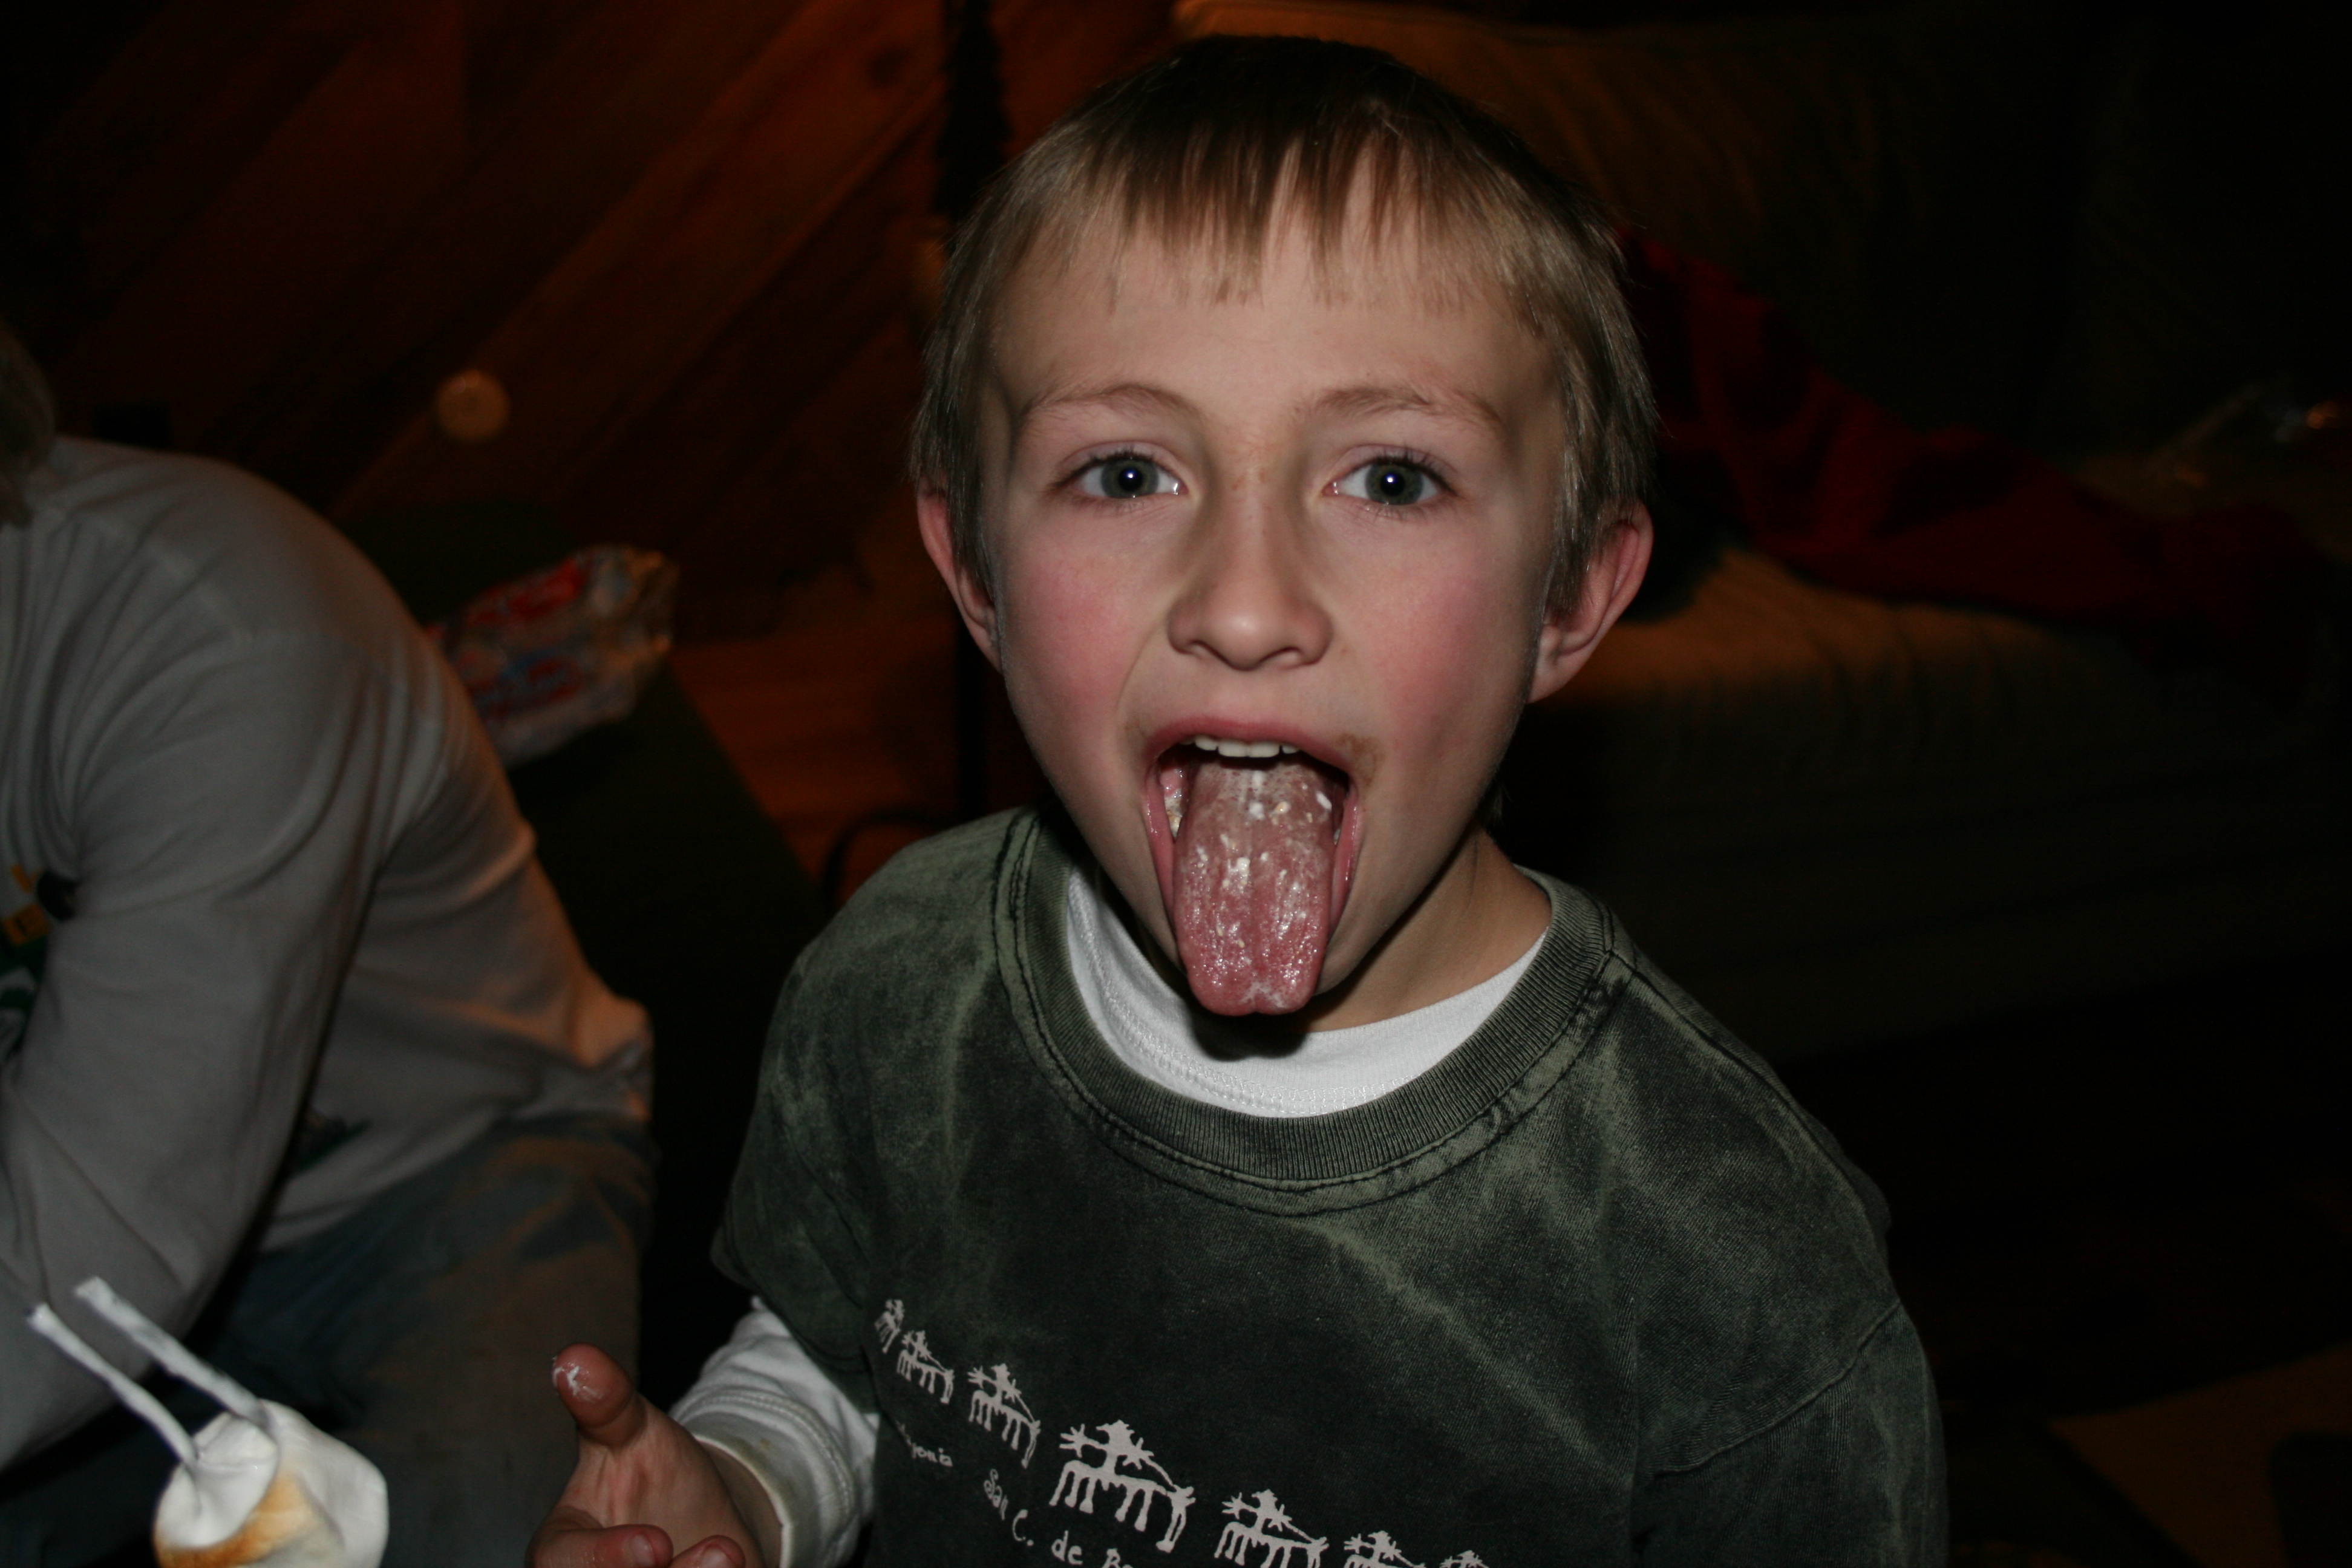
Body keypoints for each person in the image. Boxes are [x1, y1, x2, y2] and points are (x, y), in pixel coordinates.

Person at [532, 36, 1944, 1568]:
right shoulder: (898, 985)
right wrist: (749, 1488)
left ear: (1571, 597)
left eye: (1392, 479)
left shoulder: (1735, 1268)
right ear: (976, 574)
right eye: (1127, 475)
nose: (1248, 605)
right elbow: (843, 1353)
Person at [0, 319, 655, 1566]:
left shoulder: (214, 629)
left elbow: (83, 1253)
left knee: (505, 1541)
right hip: (111, 1223)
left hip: (456, 1160)